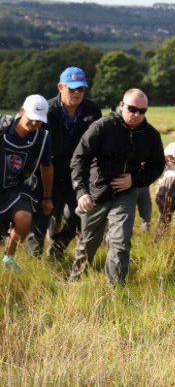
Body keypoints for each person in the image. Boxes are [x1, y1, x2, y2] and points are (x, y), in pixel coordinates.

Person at [69, 88, 164, 285]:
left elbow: (157, 165)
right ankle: (76, 281)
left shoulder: (150, 134)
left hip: (126, 192)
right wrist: (82, 192)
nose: (137, 114)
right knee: (88, 242)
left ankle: (116, 288)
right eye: (132, 109)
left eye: (142, 111)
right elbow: (79, 159)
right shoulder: (102, 126)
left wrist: (135, 180)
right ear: (122, 105)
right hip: (97, 191)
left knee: (120, 241)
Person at [25, 67, 102, 260]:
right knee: (40, 220)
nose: (77, 93)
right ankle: (33, 261)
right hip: (45, 173)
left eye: (81, 90)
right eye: (73, 89)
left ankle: (57, 249)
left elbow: (99, 144)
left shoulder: (92, 110)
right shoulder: (47, 111)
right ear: (60, 87)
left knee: (76, 215)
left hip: (76, 174)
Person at [0, 95, 53, 270]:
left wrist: (47, 197)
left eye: (39, 120)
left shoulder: (43, 138)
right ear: (22, 111)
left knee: (24, 218)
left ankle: (9, 257)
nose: (34, 123)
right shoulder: (2, 128)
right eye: (31, 118)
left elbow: (46, 167)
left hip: (18, 187)